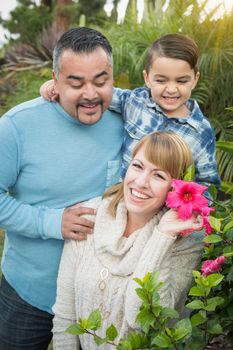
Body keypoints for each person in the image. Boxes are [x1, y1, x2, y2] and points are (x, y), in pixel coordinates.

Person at [0, 27, 123, 350]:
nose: (91, 94)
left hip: (97, 297)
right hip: (29, 292)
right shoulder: (16, 127)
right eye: (75, 82)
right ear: (55, 80)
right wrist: (53, 223)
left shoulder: (129, 118)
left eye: (100, 80)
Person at [52, 131, 205, 350]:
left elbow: (142, 322)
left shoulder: (187, 241)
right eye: (138, 166)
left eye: (159, 175)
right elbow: (65, 316)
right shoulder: (90, 215)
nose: (141, 182)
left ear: (176, 186)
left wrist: (162, 236)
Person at [41, 33, 220, 190]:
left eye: (181, 81)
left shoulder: (201, 132)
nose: (171, 89)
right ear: (147, 78)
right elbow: (101, 94)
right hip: (122, 197)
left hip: (164, 212)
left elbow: (208, 181)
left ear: (195, 79)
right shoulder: (135, 101)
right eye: (161, 80)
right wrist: (58, 87)